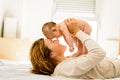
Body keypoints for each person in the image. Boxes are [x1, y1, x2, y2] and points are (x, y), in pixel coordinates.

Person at [30, 18, 120, 79]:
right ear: (51, 54)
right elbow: (99, 53)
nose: (57, 40)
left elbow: (87, 56)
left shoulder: (67, 61)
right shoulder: (65, 68)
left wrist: (73, 35)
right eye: (52, 41)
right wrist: (77, 31)